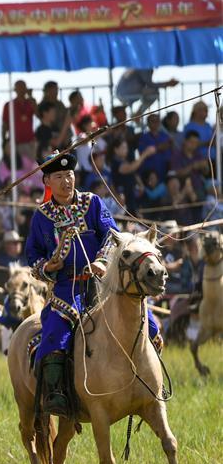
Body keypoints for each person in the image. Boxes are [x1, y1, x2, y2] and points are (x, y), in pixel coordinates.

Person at [25, 153, 162, 416]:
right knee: (55, 333)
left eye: (70, 175)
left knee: (150, 325)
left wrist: (101, 261)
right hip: (66, 288)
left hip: (102, 283)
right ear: (47, 181)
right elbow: (32, 256)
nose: (67, 181)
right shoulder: (41, 216)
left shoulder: (92, 203)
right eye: (59, 177)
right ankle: (58, 394)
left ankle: (149, 380)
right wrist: (47, 267)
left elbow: (113, 237)